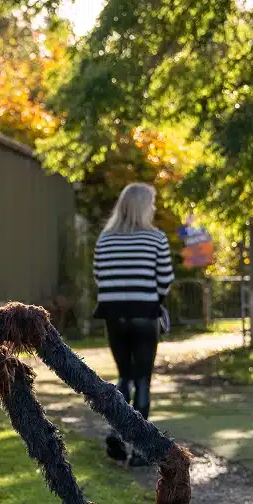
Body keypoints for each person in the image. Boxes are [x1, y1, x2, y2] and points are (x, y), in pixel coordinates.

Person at [92, 182, 174, 466]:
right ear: (143, 206)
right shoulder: (156, 239)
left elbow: (99, 277)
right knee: (142, 379)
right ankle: (140, 450)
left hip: (113, 315)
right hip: (144, 315)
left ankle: (116, 430)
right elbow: (165, 279)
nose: (153, 208)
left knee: (125, 376)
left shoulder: (105, 239)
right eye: (151, 203)